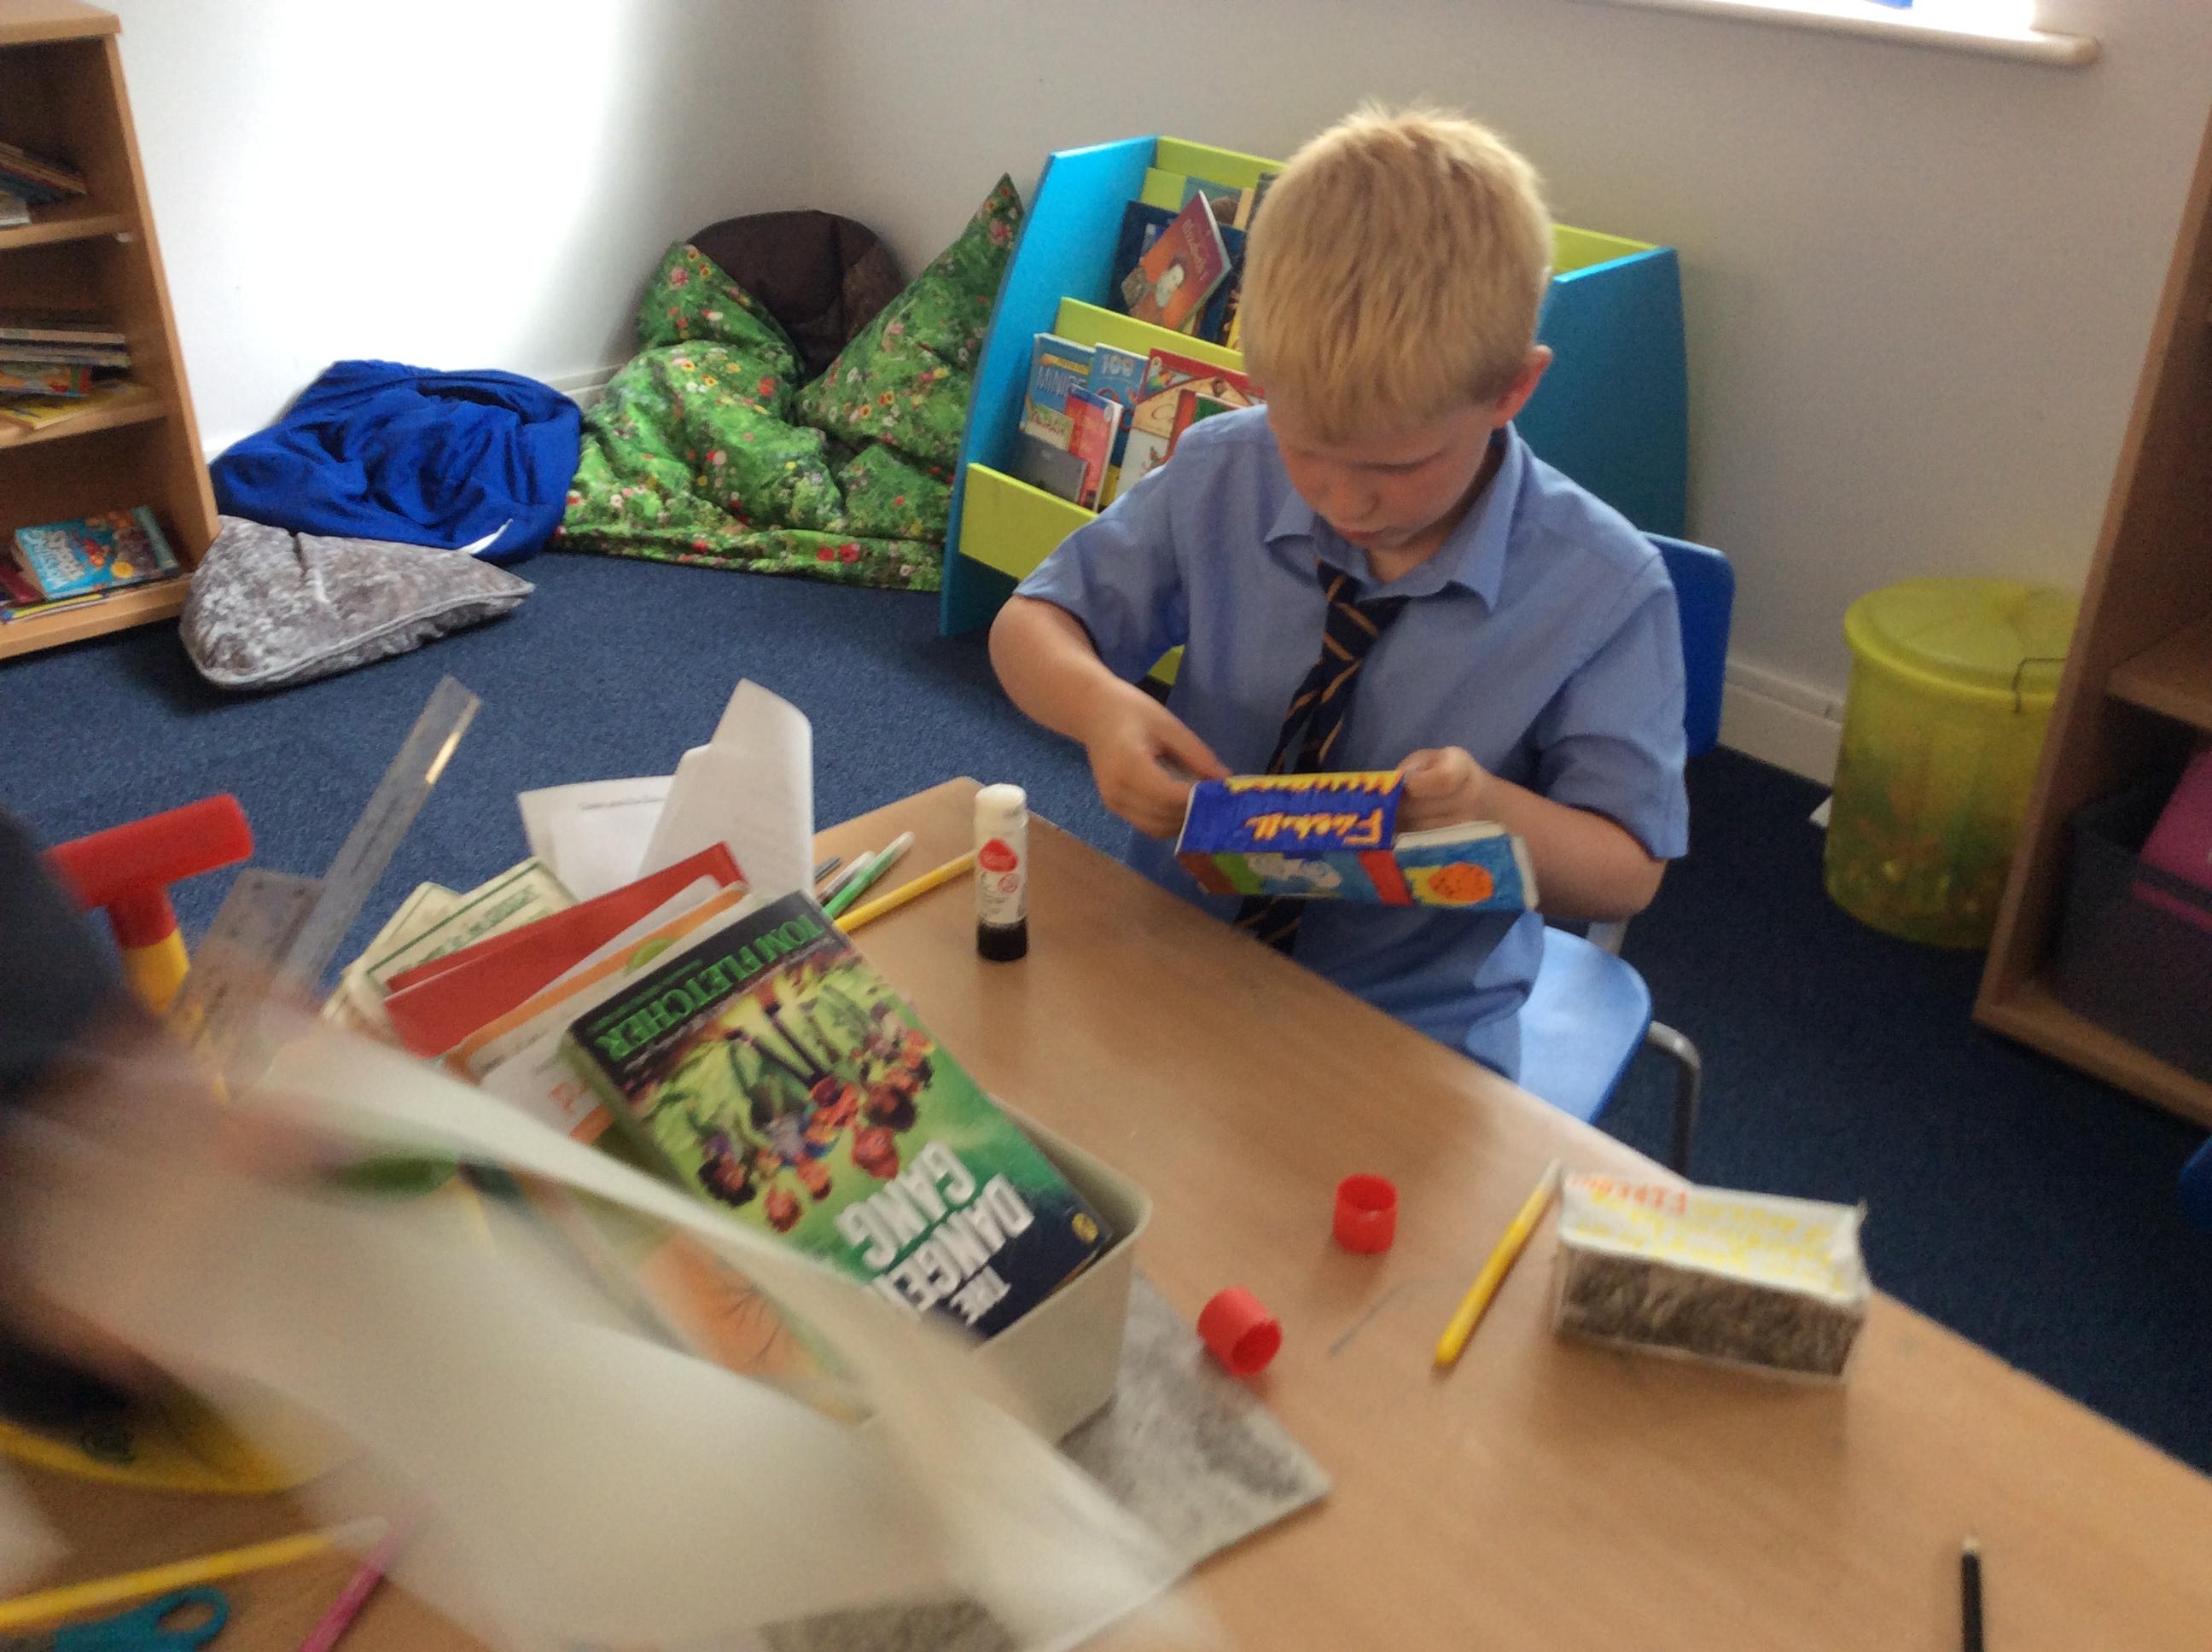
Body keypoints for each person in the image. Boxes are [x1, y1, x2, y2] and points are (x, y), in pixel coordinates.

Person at [989, 106, 1689, 1078]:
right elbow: (1029, 626)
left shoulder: (1606, 589)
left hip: (1413, 1020)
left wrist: (1488, 808)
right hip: (1173, 948)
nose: (1346, 499)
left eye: (1400, 465)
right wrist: (1102, 711)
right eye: (1305, 446)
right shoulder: (1224, 470)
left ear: (1512, 390)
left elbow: (1627, 871)